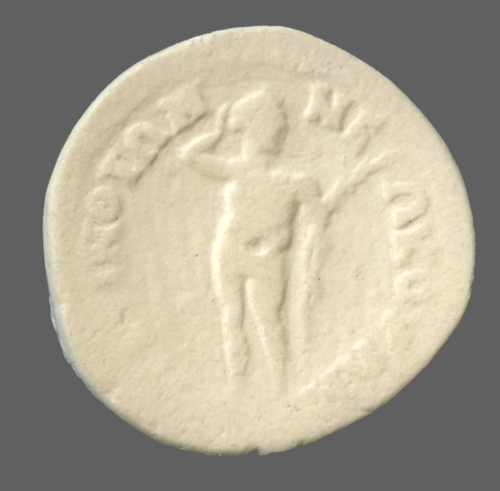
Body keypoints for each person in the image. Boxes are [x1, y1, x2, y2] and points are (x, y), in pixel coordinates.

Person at [180, 89, 328, 387]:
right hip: (230, 251)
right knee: (231, 318)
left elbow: (318, 223)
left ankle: (280, 385)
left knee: (269, 320)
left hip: (269, 257)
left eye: (281, 126)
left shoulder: (297, 182)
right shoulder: (235, 169)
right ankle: (238, 384)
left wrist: (306, 263)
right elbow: (189, 157)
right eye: (275, 124)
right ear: (255, 127)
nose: (281, 130)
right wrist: (216, 133)